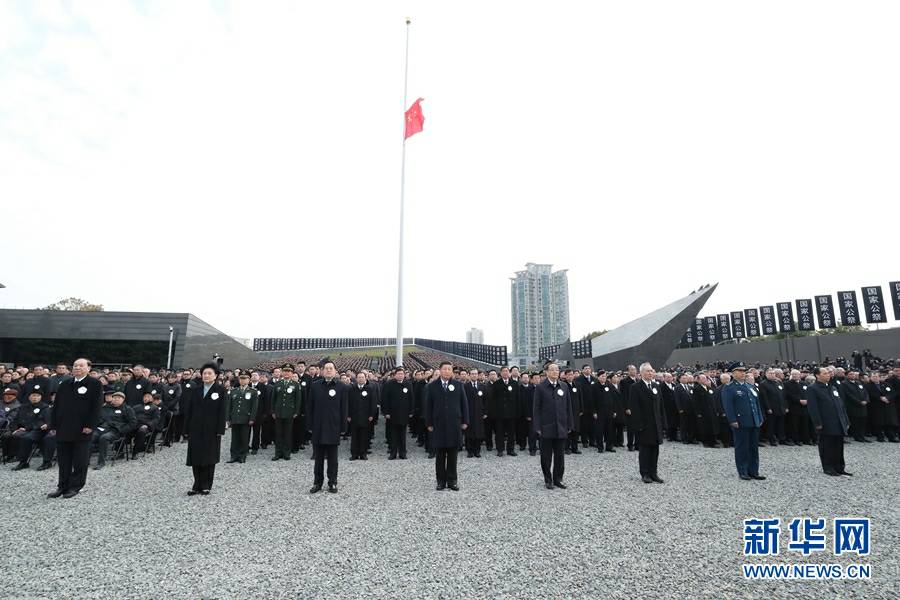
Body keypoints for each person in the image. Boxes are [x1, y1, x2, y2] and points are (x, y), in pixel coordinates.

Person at [49, 358, 103, 499]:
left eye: (81, 365)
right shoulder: (65, 384)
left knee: (80, 460)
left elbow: (96, 407)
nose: (77, 368)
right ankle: (62, 485)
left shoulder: (94, 384)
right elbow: (56, 406)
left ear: (88, 368)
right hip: (63, 427)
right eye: (75, 365)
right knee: (64, 460)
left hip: (82, 428)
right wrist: (53, 424)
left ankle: (75, 486)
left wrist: (90, 425)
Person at [183, 363, 228, 495]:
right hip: (195, 428)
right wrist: (186, 428)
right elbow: (189, 410)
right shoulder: (196, 390)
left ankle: (206, 485)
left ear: (215, 375)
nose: (206, 375)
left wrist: (220, 429)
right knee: (195, 455)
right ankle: (196, 484)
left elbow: (223, 411)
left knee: (209, 456)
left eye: (209, 373)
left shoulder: (220, 390)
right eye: (204, 373)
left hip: (211, 429)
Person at [424, 361, 469, 491]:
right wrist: (429, 423)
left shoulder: (458, 385)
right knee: (440, 455)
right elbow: (428, 406)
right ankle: (440, 481)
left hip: (454, 424)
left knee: (453, 455)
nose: (447, 371)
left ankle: (452, 481)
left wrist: (465, 421)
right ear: (440, 370)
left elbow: (464, 404)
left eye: (449, 369)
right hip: (438, 424)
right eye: (445, 369)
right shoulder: (432, 386)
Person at [307, 361, 348, 494]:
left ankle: (333, 482)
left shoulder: (341, 387)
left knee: (333, 458)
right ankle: (317, 483)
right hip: (318, 427)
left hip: (333, 427)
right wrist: (309, 425)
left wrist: (343, 427)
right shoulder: (315, 386)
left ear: (335, 371)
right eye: (326, 368)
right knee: (318, 458)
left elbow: (344, 408)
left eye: (331, 368)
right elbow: (310, 407)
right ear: (322, 371)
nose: (329, 370)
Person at [720, 363, 765, 481]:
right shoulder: (729, 388)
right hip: (740, 422)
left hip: (753, 421)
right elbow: (728, 406)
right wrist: (732, 420)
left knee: (753, 448)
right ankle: (743, 471)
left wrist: (760, 418)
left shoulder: (750, 386)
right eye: (739, 371)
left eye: (744, 371)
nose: (743, 373)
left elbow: (756, 404)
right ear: (733, 373)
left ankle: (754, 471)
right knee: (742, 448)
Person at [533, 362, 573, 489]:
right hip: (546, 427)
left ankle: (558, 479)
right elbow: (536, 408)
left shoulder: (564, 386)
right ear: (547, 372)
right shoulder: (540, 387)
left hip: (561, 426)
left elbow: (568, 407)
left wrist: (569, 424)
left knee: (560, 456)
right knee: (546, 456)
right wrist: (537, 427)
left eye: (557, 369)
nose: (556, 372)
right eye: (553, 370)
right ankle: (548, 479)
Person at [806, 366, 851, 477]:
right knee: (827, 446)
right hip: (826, 422)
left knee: (838, 446)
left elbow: (840, 405)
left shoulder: (832, 387)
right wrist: (817, 423)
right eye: (825, 373)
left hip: (838, 421)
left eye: (828, 373)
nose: (828, 375)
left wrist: (845, 420)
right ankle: (828, 467)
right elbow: (813, 407)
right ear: (817, 375)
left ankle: (839, 467)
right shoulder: (813, 388)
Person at [628, 362, 665, 484]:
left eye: (651, 370)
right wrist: (638, 425)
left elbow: (660, 405)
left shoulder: (656, 386)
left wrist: (662, 422)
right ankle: (645, 473)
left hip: (656, 424)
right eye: (648, 371)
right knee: (645, 450)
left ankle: (654, 473)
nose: (650, 373)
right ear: (642, 373)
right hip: (644, 425)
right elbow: (634, 407)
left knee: (655, 449)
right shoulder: (635, 387)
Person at [9, 390, 53, 471]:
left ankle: (47, 462)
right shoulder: (23, 407)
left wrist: (26, 428)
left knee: (29, 438)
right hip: (28, 430)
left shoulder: (45, 407)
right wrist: (14, 430)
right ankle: (23, 462)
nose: (35, 398)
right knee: (23, 437)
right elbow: (15, 420)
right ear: (29, 397)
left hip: (40, 430)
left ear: (41, 397)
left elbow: (42, 421)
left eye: (37, 396)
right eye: (33, 395)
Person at [92, 391, 136, 470]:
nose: (116, 399)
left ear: (123, 399)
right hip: (103, 428)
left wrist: (122, 430)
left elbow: (132, 423)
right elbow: (99, 419)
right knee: (91, 436)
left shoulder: (127, 409)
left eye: (118, 398)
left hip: (116, 431)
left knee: (104, 438)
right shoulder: (106, 408)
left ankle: (101, 462)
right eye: (114, 397)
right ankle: (85, 461)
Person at [226, 373, 258, 464]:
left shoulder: (253, 391)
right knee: (234, 438)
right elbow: (229, 406)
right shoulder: (234, 391)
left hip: (246, 418)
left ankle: (242, 456)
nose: (243, 381)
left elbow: (254, 407)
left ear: (249, 380)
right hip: (235, 417)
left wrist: (252, 418)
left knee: (244, 438)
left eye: (245, 379)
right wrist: (228, 418)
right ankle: (233, 456)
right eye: (241, 379)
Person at [382, 368, 413, 460]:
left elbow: (411, 398)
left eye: (402, 374)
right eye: (398, 374)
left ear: (404, 375)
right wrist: (386, 412)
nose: (400, 375)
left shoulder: (408, 384)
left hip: (404, 413)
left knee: (402, 435)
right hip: (392, 414)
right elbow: (385, 399)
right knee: (393, 435)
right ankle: (393, 453)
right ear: (395, 375)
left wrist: (411, 411)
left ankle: (403, 453)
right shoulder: (389, 384)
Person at [271, 366, 301, 461]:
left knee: (288, 434)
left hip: (289, 412)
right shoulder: (278, 384)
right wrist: (273, 411)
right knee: (278, 433)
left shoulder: (295, 385)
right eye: (285, 371)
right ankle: (278, 453)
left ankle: (286, 453)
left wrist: (296, 412)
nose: (287, 373)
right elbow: (273, 399)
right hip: (278, 412)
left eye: (289, 371)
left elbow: (298, 400)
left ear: (292, 373)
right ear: (282, 373)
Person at [347, 371, 376, 460]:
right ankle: (354, 454)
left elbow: (373, 403)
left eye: (362, 377)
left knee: (364, 436)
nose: (361, 379)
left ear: (365, 378)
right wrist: (348, 415)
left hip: (365, 417)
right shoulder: (352, 389)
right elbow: (348, 403)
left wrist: (371, 415)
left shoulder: (369, 389)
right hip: (354, 417)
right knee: (354, 437)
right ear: (356, 379)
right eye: (359, 377)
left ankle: (363, 454)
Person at [463, 368, 486, 458]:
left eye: (476, 374)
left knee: (478, 432)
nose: (474, 375)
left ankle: (477, 451)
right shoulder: (465, 386)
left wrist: (485, 412)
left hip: (479, 413)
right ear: (469, 375)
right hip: (469, 413)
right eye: (472, 374)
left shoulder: (482, 386)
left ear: (478, 375)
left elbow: (486, 400)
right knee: (469, 432)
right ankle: (469, 451)